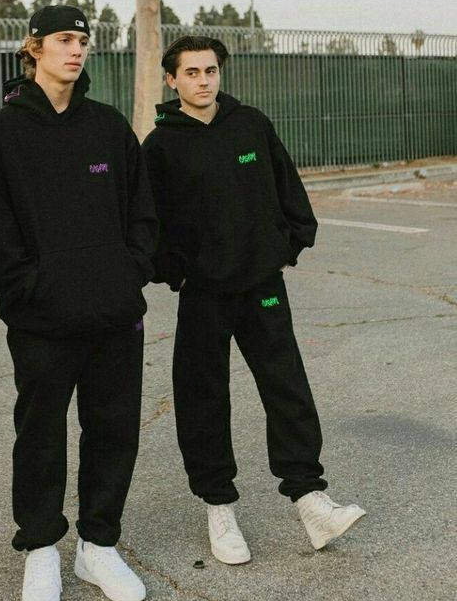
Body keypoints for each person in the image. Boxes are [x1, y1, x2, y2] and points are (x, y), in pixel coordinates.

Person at [142, 36, 365, 565]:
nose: (203, 80)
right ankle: (219, 507)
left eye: (211, 70)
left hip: (263, 285)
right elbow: (151, 224)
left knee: (286, 386)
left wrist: (285, 247)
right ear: (172, 80)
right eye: (191, 72)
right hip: (204, 293)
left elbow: (288, 191)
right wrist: (178, 274)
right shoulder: (161, 146)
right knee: (203, 398)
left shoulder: (251, 124)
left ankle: (311, 500)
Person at [0, 5, 157, 601]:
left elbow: (142, 213)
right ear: (33, 48)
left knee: (113, 431)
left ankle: (98, 546)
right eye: (64, 40)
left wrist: (129, 276)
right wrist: (28, 292)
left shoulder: (108, 127)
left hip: (113, 315)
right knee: (41, 436)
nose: (76, 51)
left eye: (84, 41)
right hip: (43, 321)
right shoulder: (1, 134)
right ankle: (42, 548)